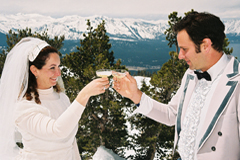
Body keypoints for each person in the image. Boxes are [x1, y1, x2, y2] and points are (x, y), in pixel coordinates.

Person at [113, 11, 240, 160]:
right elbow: (171, 115)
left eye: (185, 49)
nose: (180, 55)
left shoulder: (236, 82)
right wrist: (136, 96)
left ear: (205, 45)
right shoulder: (191, 74)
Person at [0, 37, 110, 160]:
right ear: (34, 70)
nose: (58, 73)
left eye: (58, 67)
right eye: (52, 67)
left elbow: (70, 142)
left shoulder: (62, 98)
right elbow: (57, 131)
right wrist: (84, 95)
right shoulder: (24, 107)